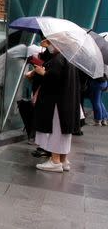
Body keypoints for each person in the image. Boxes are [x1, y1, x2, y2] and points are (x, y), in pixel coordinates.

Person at [29, 40, 82, 172]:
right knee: (64, 132)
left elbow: (54, 78)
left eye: (51, 42)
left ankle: (55, 161)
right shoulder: (69, 58)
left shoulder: (59, 58)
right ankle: (63, 160)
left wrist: (43, 73)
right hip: (68, 102)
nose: (49, 46)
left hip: (58, 103)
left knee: (57, 131)